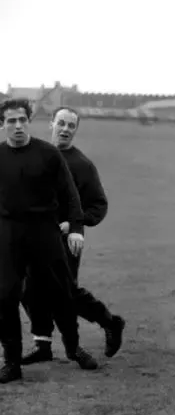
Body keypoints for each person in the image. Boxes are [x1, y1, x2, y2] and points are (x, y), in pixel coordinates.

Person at [0, 98, 97, 383]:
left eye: (22, 120)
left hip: (45, 231)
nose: (17, 125)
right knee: (4, 297)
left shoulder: (48, 154)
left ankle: (74, 348)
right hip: (8, 234)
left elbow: (70, 195)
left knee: (61, 294)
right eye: (11, 121)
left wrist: (77, 227)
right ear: (2, 124)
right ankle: (12, 363)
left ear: (29, 121)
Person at [21, 106, 126, 364]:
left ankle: (110, 322)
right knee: (28, 289)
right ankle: (42, 345)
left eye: (71, 126)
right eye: (62, 123)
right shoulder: (39, 156)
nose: (65, 129)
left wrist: (74, 223)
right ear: (51, 124)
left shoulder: (82, 165)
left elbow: (98, 205)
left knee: (64, 292)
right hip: (31, 237)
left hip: (65, 241)